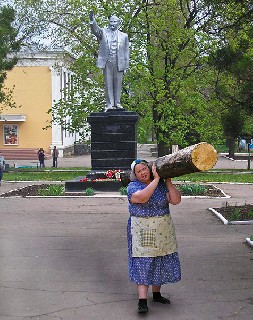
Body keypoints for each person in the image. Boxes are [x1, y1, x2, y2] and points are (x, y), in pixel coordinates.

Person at [127, 159, 182, 314]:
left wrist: (168, 181)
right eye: (139, 171)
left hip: (162, 229)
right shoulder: (133, 187)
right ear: (135, 175)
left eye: (144, 168)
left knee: (160, 259)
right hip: (142, 230)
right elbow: (142, 198)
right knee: (143, 262)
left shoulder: (162, 185)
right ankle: (142, 301)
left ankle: (156, 294)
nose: (143, 172)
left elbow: (176, 200)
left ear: (150, 169)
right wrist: (157, 180)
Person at [89, 11, 129, 111]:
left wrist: (126, 66)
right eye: (111, 21)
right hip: (107, 62)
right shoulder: (103, 32)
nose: (112, 24)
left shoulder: (124, 36)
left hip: (119, 62)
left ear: (118, 23)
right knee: (108, 83)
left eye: (114, 22)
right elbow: (95, 30)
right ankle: (109, 104)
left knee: (118, 84)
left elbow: (126, 52)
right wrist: (92, 20)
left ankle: (117, 103)